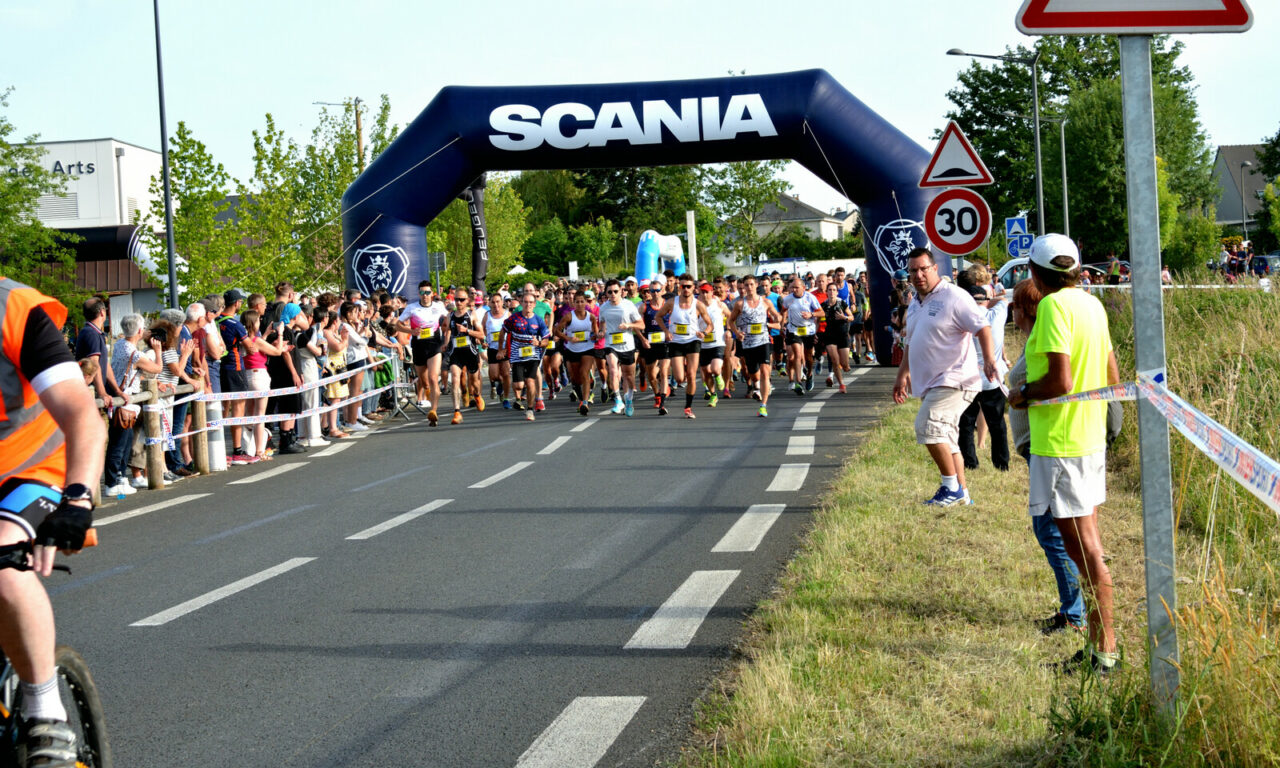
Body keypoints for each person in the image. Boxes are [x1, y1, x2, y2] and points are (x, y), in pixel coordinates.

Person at [0, 277, 106, 766]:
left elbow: (83, 414)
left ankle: (46, 713)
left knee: (1, 565)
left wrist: (79, 497)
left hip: (30, 469)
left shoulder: (13, 308)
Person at [1007, 234, 1121, 675]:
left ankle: (1104, 651)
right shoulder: (1091, 305)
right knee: (1085, 550)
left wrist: (1021, 395)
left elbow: (1061, 381)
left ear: (1035, 274)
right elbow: (1111, 375)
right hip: (1086, 440)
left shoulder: (1054, 307)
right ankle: (1098, 646)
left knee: (1087, 552)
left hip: (1061, 445)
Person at [892, 248, 997, 506]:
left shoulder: (954, 296)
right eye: (913, 270)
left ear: (935, 268)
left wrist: (990, 360)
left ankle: (950, 488)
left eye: (923, 269)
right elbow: (910, 342)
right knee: (947, 438)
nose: (918, 275)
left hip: (954, 379)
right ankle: (962, 493)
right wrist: (901, 376)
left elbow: (982, 327)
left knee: (927, 426)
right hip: (931, 382)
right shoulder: (915, 302)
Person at [955, 270, 1011, 472]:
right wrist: (989, 298)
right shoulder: (996, 314)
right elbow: (1003, 298)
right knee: (997, 424)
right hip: (992, 379)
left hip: (967, 378)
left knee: (966, 424)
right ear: (985, 300)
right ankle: (1001, 462)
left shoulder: (961, 318)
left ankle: (970, 462)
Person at [396, 280, 449, 427]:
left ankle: (433, 411)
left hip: (434, 344)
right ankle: (427, 392)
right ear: (419, 294)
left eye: (427, 293)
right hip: (418, 345)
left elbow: (448, 318)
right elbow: (397, 324)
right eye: (422, 293)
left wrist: (446, 329)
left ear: (432, 294)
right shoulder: (412, 308)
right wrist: (411, 331)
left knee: (433, 378)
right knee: (425, 382)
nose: (425, 296)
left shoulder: (438, 306)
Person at [729, 274, 782, 417]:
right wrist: (737, 333)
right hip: (748, 344)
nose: (749, 287)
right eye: (746, 285)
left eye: (752, 284)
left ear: (756, 285)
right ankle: (755, 386)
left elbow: (777, 316)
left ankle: (763, 405)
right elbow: (730, 321)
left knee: (765, 372)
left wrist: (777, 319)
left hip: (763, 341)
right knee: (754, 374)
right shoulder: (740, 304)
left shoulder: (765, 302)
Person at [660, 274, 712, 419]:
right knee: (679, 378)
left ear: (693, 288)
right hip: (676, 342)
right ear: (679, 287)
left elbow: (709, 324)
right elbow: (658, 316)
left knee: (690, 375)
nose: (685, 289)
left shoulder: (698, 304)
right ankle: (677, 378)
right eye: (683, 286)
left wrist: (704, 333)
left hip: (693, 341)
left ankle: (688, 407)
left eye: (688, 286)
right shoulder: (671, 302)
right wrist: (666, 331)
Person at [500, 293, 552, 421]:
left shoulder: (539, 320)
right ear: (521, 303)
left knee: (530, 382)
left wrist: (539, 343)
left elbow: (546, 340)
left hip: (533, 355)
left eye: (530, 302)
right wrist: (501, 348)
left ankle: (530, 409)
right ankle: (519, 393)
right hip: (517, 355)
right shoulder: (514, 318)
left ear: (534, 305)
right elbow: (503, 331)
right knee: (518, 385)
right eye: (525, 302)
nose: (528, 304)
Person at [599, 279, 643, 416]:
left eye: (615, 291)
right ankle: (618, 400)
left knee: (629, 376)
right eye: (609, 292)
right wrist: (601, 332)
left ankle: (628, 399)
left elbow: (641, 325)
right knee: (612, 369)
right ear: (606, 293)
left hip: (627, 344)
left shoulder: (628, 305)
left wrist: (628, 325)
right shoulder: (603, 308)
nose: (613, 294)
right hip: (610, 343)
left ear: (621, 292)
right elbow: (602, 324)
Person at [446, 293, 485, 424]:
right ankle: (457, 412)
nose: (458, 302)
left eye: (462, 299)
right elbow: (447, 331)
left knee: (474, 382)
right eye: (456, 299)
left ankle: (477, 395)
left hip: (470, 352)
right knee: (456, 379)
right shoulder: (449, 316)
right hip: (455, 353)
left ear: (467, 301)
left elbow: (481, 334)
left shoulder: (472, 315)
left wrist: (467, 330)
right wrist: (445, 344)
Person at [780, 277, 821, 395]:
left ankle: (809, 374)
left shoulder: (810, 298)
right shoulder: (788, 299)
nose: (794, 290)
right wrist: (782, 324)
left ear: (803, 288)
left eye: (797, 287)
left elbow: (821, 312)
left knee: (808, 357)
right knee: (797, 354)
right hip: (794, 329)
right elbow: (783, 311)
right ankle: (798, 382)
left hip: (808, 330)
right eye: (792, 287)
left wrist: (811, 314)